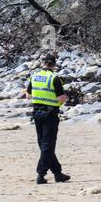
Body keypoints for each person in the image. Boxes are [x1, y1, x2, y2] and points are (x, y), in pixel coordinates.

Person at [23, 53, 70, 185]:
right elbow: (61, 99)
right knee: (48, 145)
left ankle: (57, 173)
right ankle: (41, 173)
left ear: (43, 63)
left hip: (37, 112)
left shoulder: (34, 76)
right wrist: (56, 104)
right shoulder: (55, 78)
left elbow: (28, 95)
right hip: (50, 114)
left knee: (43, 144)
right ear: (54, 65)